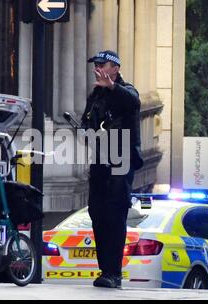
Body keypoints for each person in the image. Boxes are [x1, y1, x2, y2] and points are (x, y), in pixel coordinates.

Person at [81, 50, 143, 288]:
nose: (97, 69)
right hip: (100, 160)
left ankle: (114, 273)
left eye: (102, 64)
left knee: (115, 215)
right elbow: (87, 120)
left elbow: (133, 103)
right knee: (97, 212)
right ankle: (105, 270)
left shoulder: (126, 90)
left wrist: (113, 87)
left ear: (115, 69)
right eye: (95, 65)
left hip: (121, 161)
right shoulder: (95, 95)